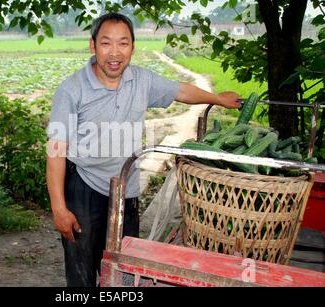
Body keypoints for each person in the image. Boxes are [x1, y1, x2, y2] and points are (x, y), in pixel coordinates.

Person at [46, 12, 241, 287]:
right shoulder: (71, 90)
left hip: (127, 189)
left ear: (132, 48)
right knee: (83, 272)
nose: (115, 53)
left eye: (123, 43)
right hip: (84, 187)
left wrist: (217, 99)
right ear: (92, 46)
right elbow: (56, 152)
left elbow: (181, 91)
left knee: (125, 268)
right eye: (106, 43)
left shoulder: (141, 80)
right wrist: (59, 208)